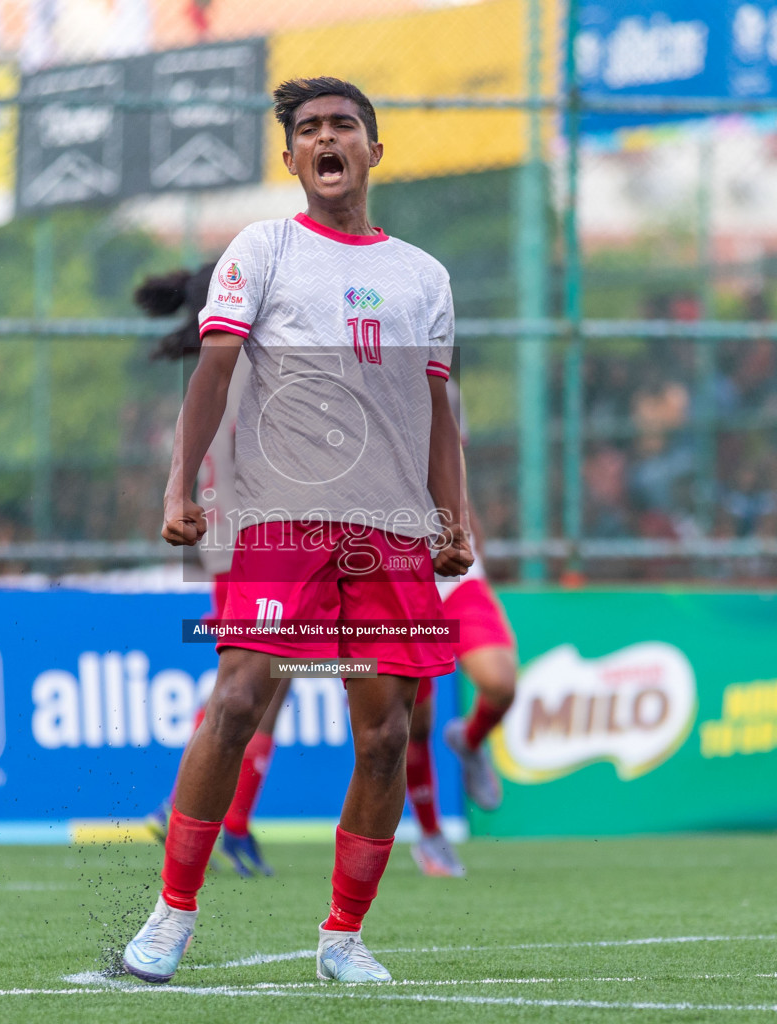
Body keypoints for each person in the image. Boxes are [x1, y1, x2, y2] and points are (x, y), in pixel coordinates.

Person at [120, 76, 470, 985]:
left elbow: (437, 410)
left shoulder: (424, 277)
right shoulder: (262, 249)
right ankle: (171, 916)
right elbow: (212, 373)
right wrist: (180, 485)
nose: (326, 138)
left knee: (387, 734)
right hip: (280, 520)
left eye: (342, 126)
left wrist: (453, 520)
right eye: (309, 129)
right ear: (290, 158)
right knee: (238, 699)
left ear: (373, 150)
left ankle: (343, 936)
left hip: (390, 531)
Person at [138, 264, 285, 878]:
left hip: (246, 541)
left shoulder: (227, 370)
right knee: (251, 682)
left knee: (264, 682)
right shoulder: (235, 372)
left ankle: (222, 820)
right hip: (249, 543)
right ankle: (199, 816)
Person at [408, 383, 519, 879]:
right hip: (391, 574)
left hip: (453, 571)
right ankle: (432, 837)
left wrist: (475, 544)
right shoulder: (346, 375)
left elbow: (455, 473)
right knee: (412, 720)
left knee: (500, 681)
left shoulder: (446, 388)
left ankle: (471, 741)